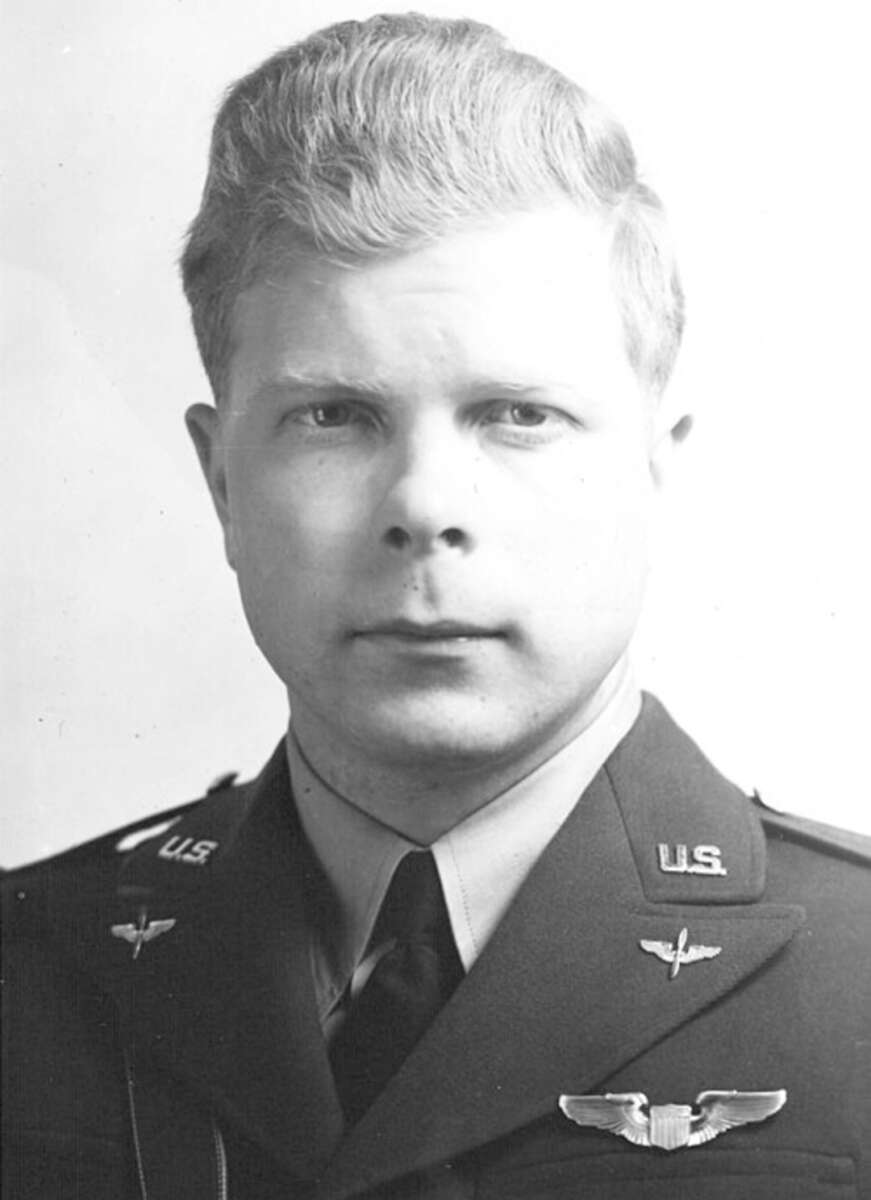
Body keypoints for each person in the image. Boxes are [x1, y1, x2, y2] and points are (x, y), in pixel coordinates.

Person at [3, 13, 869, 1199]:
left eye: (518, 415)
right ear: (221, 484)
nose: (423, 507)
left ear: (654, 469)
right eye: (332, 417)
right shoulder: (28, 970)